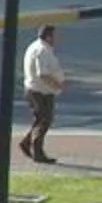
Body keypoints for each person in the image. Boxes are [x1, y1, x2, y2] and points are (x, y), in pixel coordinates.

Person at [19, 22, 65, 163]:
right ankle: (38, 152)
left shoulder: (37, 47)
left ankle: (27, 143)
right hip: (40, 91)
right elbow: (43, 74)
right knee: (44, 121)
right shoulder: (42, 51)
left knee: (40, 119)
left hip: (38, 90)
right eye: (54, 36)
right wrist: (57, 85)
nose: (56, 38)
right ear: (49, 37)